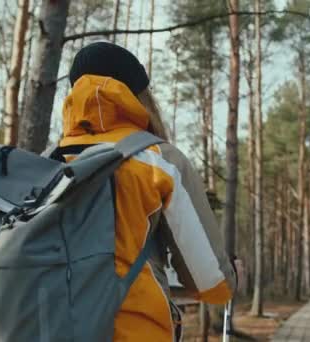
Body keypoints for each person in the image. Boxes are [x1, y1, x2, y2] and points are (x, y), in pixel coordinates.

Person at [60, 41, 236, 342]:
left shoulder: (42, 163)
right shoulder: (159, 159)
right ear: (139, 96)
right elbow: (210, 283)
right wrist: (231, 275)